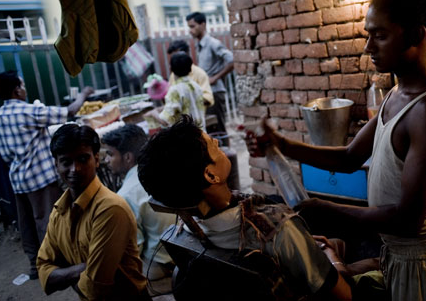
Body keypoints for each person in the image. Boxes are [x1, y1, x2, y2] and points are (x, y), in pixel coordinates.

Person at [247, 0, 426, 300]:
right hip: (400, 254)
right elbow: (351, 157)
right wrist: (281, 144)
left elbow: (409, 220)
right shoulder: (396, 94)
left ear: (416, 35)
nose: (368, 47)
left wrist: (326, 210)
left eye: (379, 35)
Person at [137, 115, 352, 300]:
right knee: (344, 249)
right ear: (211, 175)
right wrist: (332, 257)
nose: (219, 145)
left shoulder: (184, 233)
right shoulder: (278, 230)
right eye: (214, 145)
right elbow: (345, 296)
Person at [0, 70, 93, 279]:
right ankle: (57, 264)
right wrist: (83, 94)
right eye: (22, 84)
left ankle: (34, 264)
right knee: (49, 220)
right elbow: (69, 112)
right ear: (17, 90)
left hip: (18, 178)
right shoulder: (26, 111)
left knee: (27, 223)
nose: (25, 89)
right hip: (39, 177)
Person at [38, 124, 149, 300]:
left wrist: (65, 272)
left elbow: (95, 288)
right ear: (56, 165)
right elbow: (43, 269)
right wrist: (82, 269)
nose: (75, 169)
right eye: (66, 162)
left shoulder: (111, 209)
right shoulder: (60, 210)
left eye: (83, 159)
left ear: (96, 159)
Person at [102, 124, 176, 281]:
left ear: (128, 157)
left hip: (162, 264)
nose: (106, 160)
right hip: (185, 251)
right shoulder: (164, 168)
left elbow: (134, 249)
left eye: (110, 154)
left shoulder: (126, 195)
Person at [186, 11, 234, 133]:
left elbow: (232, 61)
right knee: (211, 129)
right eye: (189, 27)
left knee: (219, 128)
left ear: (203, 25)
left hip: (216, 92)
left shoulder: (213, 43)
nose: (190, 30)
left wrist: (216, 77)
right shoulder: (200, 45)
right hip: (207, 93)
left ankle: (226, 152)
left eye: (192, 26)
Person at [145, 52, 207, 130]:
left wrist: (153, 113)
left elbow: (165, 121)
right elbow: (185, 105)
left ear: (170, 68)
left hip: (186, 138)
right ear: (190, 68)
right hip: (202, 134)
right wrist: (160, 108)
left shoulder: (175, 90)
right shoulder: (196, 86)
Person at [167, 39, 214, 107]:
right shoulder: (173, 75)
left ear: (187, 54)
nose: (175, 61)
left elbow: (208, 98)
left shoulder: (199, 73)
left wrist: (188, 99)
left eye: (178, 57)